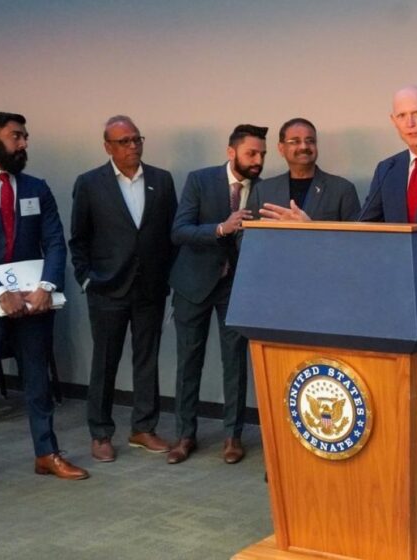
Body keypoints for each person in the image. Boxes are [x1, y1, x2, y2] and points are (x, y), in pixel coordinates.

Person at [260, 86, 417, 496]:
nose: (410, 122)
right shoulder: (387, 169)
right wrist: (315, 229)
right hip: (395, 307)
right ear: (393, 121)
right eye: (402, 116)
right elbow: (366, 233)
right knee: (399, 401)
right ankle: (401, 486)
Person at [0, 112, 89, 492]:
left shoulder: (37, 188)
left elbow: (55, 242)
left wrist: (46, 286)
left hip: (35, 304)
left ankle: (46, 453)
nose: (24, 144)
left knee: (38, 380)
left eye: (25, 137)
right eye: (16, 136)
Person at [69, 115, 178, 462]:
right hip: (107, 288)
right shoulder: (89, 183)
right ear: (108, 147)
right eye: (124, 141)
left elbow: (170, 235)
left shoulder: (161, 180)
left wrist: (168, 276)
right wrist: (87, 278)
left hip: (149, 288)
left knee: (147, 360)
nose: (133, 146)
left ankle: (143, 428)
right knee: (105, 361)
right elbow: (79, 239)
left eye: (136, 139)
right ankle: (101, 432)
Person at [167, 124, 267, 465]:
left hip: (235, 287)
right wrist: (221, 228)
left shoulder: (265, 189)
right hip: (193, 284)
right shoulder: (200, 180)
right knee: (188, 361)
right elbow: (179, 231)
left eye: (262, 154)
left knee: (235, 361)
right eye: (251, 153)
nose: (257, 160)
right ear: (231, 152)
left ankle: (233, 436)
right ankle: (184, 435)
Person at [248, 118, 359, 221]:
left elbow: (356, 239)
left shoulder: (342, 190)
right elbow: (245, 236)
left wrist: (309, 228)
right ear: (281, 148)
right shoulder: (263, 190)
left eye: (310, 141)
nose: (304, 147)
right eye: (295, 141)